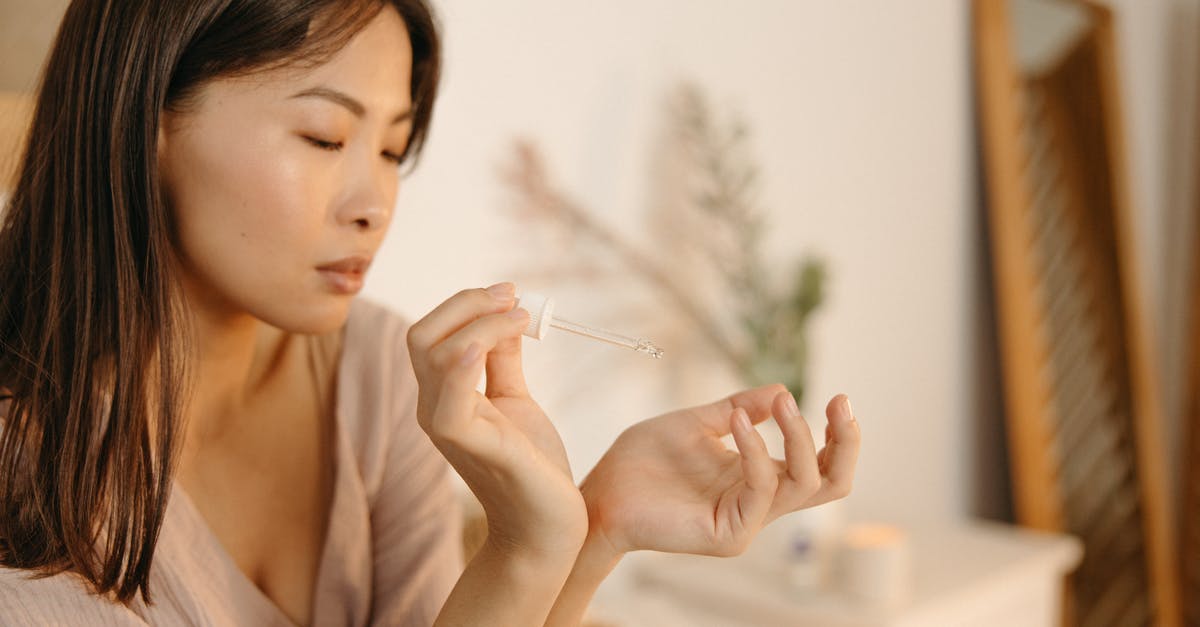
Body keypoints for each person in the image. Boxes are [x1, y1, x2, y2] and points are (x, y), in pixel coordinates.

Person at [0, 1, 861, 625]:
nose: (375, 204)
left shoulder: (377, 368)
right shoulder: (25, 462)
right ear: (145, 119)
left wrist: (591, 525)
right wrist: (527, 548)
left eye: (390, 147)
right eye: (325, 139)